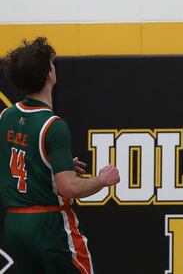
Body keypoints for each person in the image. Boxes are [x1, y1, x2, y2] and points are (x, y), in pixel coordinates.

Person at [0, 37, 120, 273]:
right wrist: (103, 179)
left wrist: (52, 168)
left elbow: (19, 160)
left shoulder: (6, 117)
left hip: (15, 224)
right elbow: (69, 188)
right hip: (49, 225)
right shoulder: (53, 125)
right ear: (49, 75)